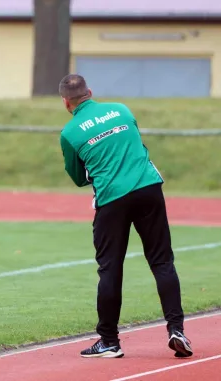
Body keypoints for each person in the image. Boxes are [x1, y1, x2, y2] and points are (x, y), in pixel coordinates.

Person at [57, 74, 193, 358]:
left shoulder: (69, 133)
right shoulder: (121, 109)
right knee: (162, 261)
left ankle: (109, 341)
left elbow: (78, 177)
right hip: (148, 188)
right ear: (90, 92)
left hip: (112, 198)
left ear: (66, 103)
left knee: (110, 269)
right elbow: (131, 141)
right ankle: (176, 330)